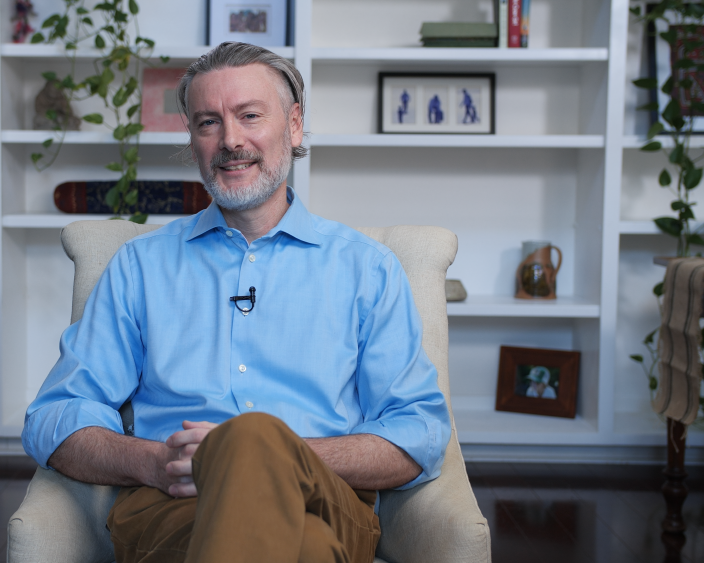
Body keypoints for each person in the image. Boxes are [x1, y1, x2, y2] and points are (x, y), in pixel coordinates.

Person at [22, 41, 451, 563]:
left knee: (252, 441)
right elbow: (55, 417)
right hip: (172, 505)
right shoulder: (141, 266)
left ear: (294, 126)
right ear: (192, 137)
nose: (229, 141)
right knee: (308, 551)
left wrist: (266, 455)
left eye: (249, 116)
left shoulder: (367, 269)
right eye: (207, 123)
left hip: (327, 499)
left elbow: (419, 433)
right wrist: (154, 462)